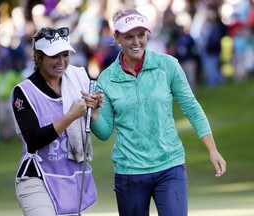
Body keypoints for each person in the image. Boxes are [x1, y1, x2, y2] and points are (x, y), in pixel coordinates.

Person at [87, 9, 226, 216]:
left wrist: (212, 149)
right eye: (129, 37)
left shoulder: (167, 65)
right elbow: (105, 132)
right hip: (129, 171)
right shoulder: (106, 79)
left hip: (170, 166)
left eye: (141, 35)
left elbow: (192, 108)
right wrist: (95, 114)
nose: (137, 42)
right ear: (116, 37)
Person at [11, 27, 103, 216]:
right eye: (54, 56)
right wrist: (70, 116)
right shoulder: (23, 92)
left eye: (65, 54)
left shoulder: (77, 80)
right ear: (39, 57)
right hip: (36, 177)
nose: (61, 62)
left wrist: (93, 109)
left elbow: (98, 128)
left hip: (70, 175)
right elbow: (34, 139)